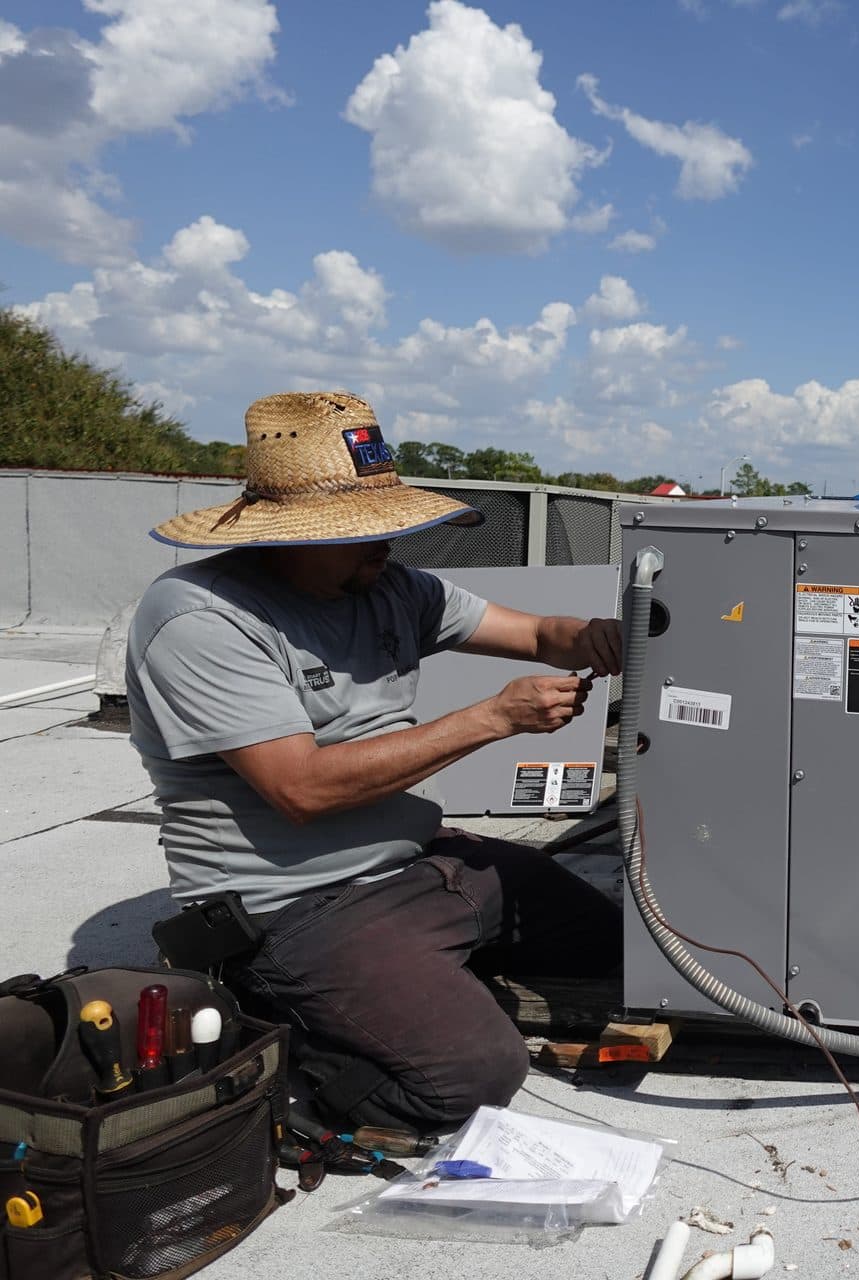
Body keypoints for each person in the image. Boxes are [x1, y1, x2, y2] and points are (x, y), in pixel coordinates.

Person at [128, 391, 625, 1133]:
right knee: (473, 1079)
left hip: (416, 862)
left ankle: (408, 985)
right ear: (288, 535)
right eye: (366, 532)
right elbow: (301, 790)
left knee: (611, 943)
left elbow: (540, 634)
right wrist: (493, 718)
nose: (388, 546)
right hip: (299, 909)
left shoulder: (389, 586)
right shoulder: (201, 619)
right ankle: (280, 1046)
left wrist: (612, 636)